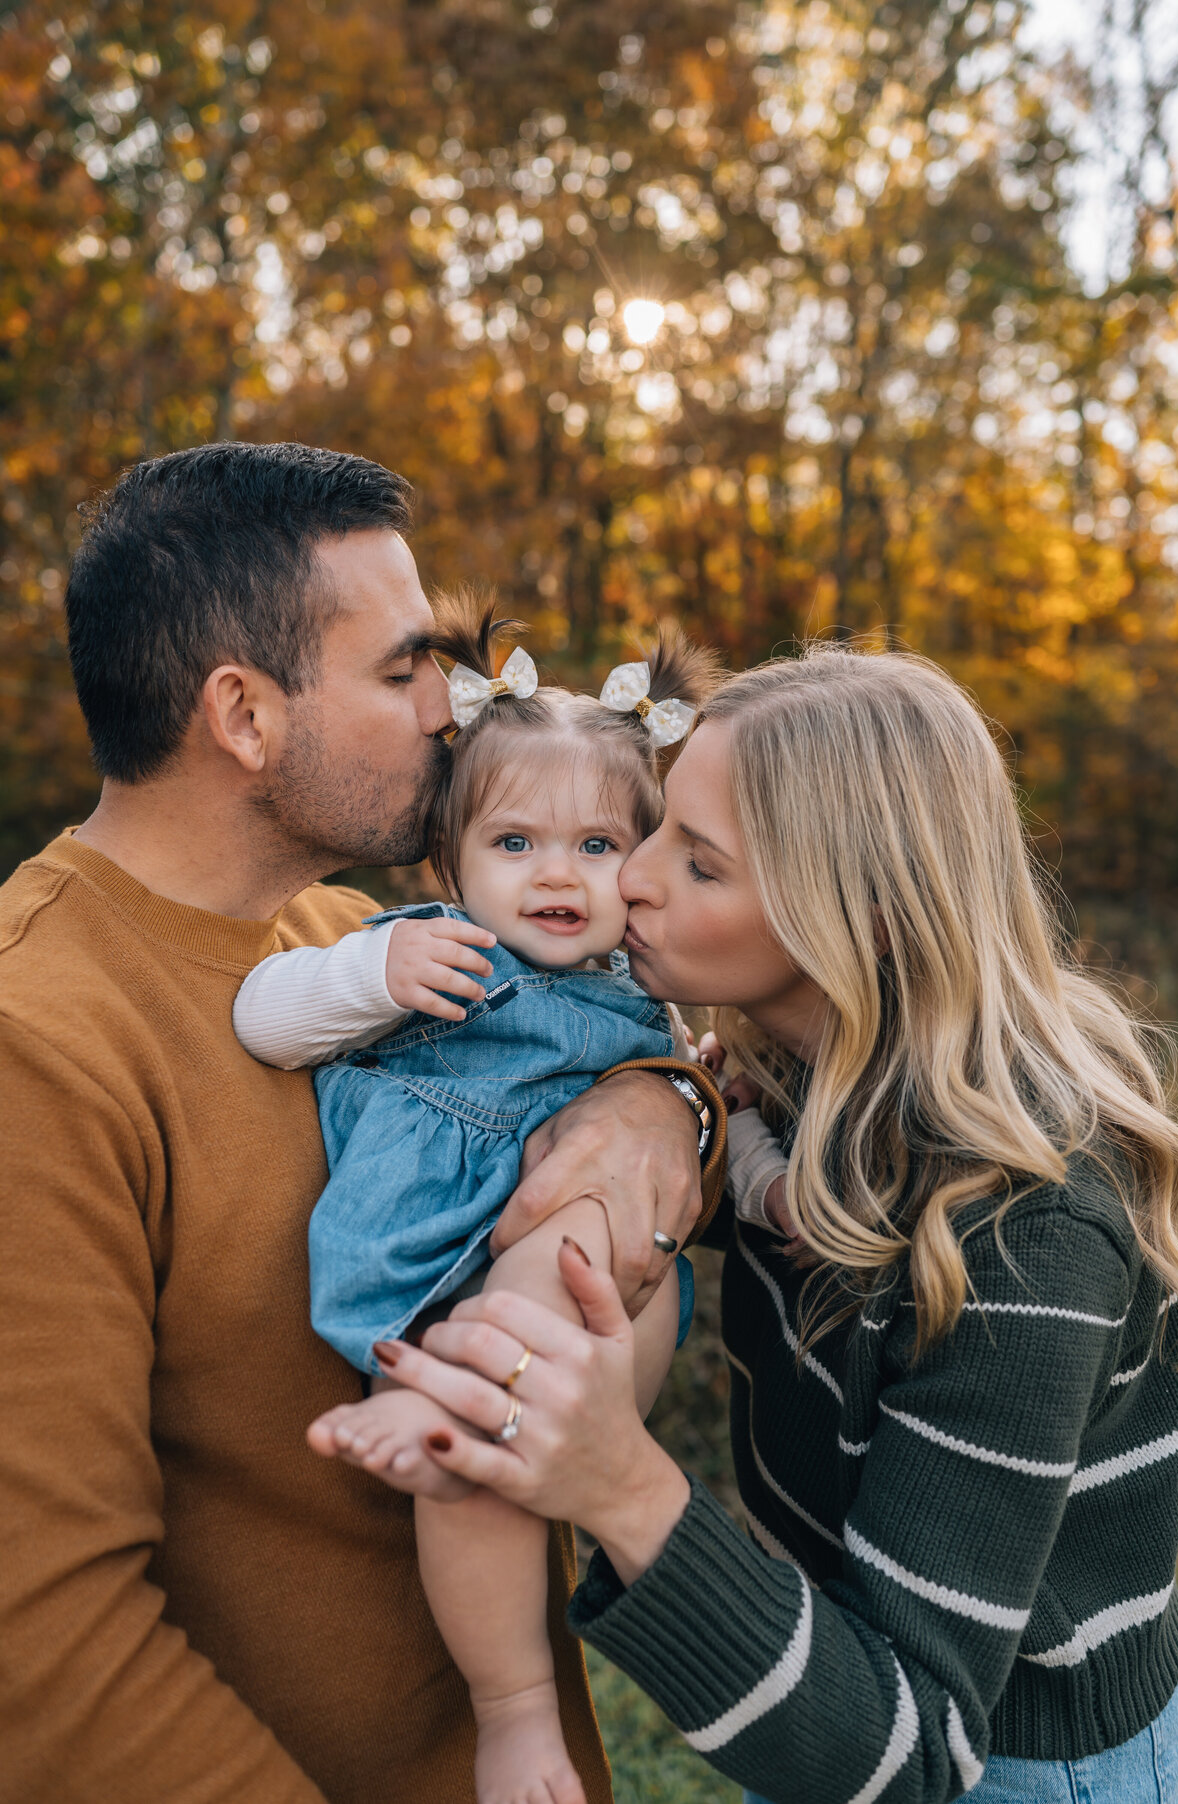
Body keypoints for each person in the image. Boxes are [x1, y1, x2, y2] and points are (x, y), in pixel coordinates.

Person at [0, 442, 724, 1804]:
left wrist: (655, 1106)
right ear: (245, 715)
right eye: (402, 672)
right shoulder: (36, 1042)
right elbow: (41, 1644)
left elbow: (611, 1087)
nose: (452, 713)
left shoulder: (373, 938)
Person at [368, 645, 1178, 1804]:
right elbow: (687, 1111)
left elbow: (916, 1752)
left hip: (1006, 1758)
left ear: (847, 917)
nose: (634, 880)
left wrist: (621, 1483)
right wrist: (658, 1099)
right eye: (653, 829)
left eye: (697, 863)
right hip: (816, 1681)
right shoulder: (797, 1070)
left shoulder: (1029, 1231)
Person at [231, 597, 719, 1804]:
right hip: (426, 1281)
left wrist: (731, 1145)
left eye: (599, 847)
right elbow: (264, 1019)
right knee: (472, 1472)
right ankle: (516, 1718)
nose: (558, 873)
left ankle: (471, 1440)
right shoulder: (428, 949)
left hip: (586, 1301)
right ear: (448, 863)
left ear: (643, 868)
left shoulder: (649, 995)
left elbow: (720, 1123)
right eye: (515, 845)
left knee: (530, 1341)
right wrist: (362, 972)